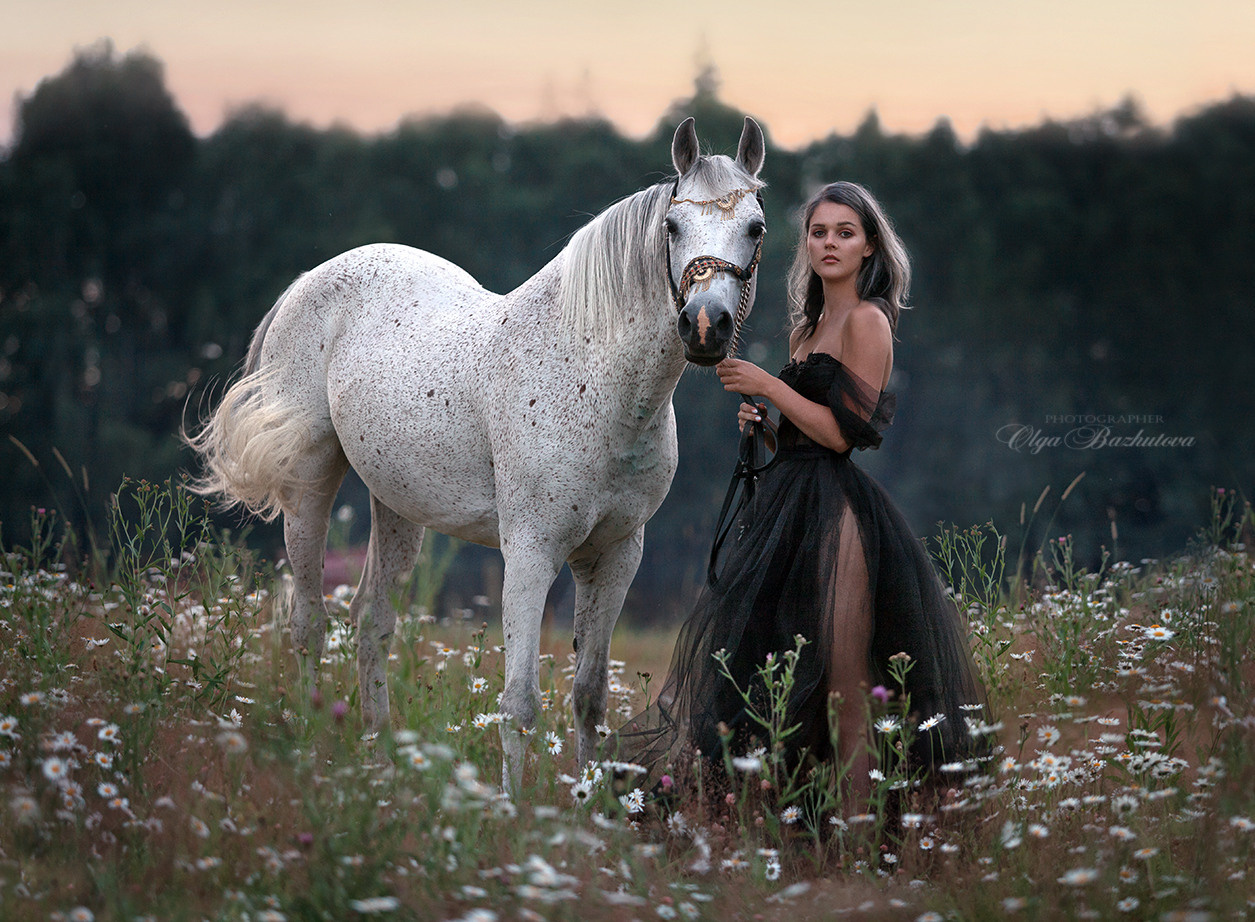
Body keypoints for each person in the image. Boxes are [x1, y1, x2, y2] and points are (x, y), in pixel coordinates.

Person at [612, 181, 987, 802]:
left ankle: (861, 839)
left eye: (845, 232)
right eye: (819, 232)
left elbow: (842, 437)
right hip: (783, 505)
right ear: (805, 245)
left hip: (836, 514)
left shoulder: (868, 322)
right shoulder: (805, 329)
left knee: (846, 683)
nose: (830, 243)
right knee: (763, 671)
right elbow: (802, 437)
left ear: (869, 247)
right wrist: (762, 428)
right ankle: (777, 819)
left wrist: (771, 386)